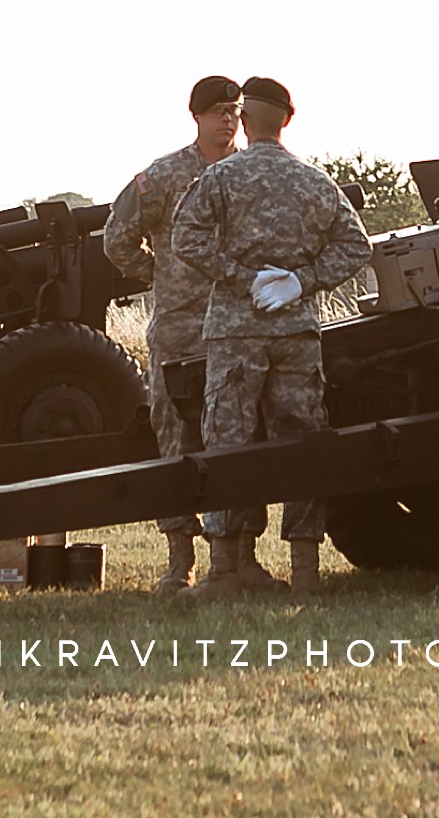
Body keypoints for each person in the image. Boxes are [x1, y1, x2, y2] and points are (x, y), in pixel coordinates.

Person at [170, 76, 372, 597]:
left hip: (235, 333)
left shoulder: (221, 178)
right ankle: (305, 571)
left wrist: (241, 278)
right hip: (297, 330)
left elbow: (184, 237)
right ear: (287, 118)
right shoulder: (314, 182)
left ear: (245, 119)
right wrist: (302, 282)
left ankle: (223, 571)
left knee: (228, 443)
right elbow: (356, 246)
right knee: (302, 441)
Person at [103, 73, 268, 592]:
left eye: (235, 111)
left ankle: (244, 557)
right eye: (217, 111)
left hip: (242, 328)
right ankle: (180, 560)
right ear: (195, 116)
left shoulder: (253, 173)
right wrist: (161, 274)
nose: (227, 120)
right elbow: (117, 237)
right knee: (176, 438)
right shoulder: (166, 176)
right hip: (181, 329)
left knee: (245, 438)